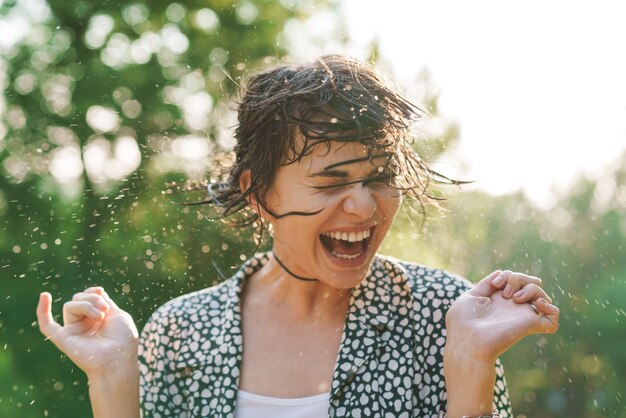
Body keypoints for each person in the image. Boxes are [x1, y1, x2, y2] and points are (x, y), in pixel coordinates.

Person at [36, 55, 559, 418]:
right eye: (331, 182)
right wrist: (113, 378)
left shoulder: (446, 314)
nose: (364, 204)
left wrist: (469, 362)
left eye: (379, 177)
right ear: (260, 192)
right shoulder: (181, 331)